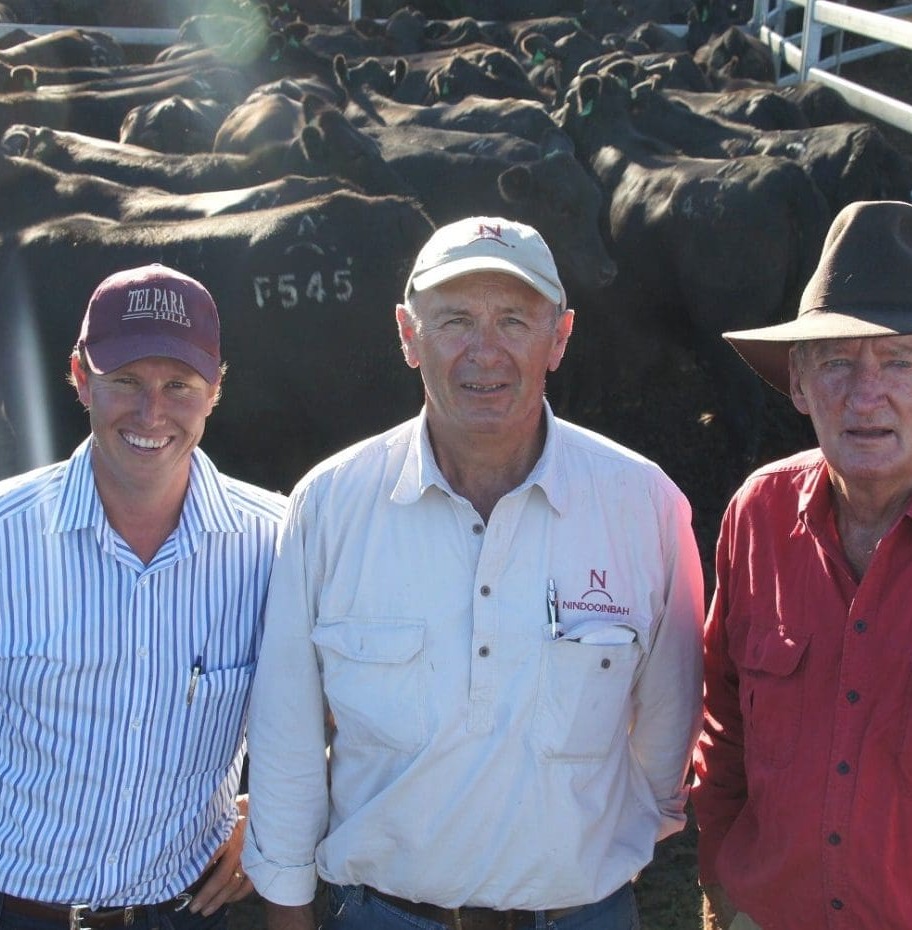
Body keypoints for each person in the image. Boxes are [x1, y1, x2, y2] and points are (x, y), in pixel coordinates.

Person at [242, 216, 705, 930]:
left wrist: (593, 850)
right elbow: (288, 737)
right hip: (385, 915)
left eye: (514, 321)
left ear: (560, 337)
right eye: (454, 320)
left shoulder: (643, 504)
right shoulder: (331, 505)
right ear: (406, 333)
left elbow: (667, 733)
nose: (483, 352)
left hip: (581, 916)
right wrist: (288, 911)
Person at [0, 264, 286, 930]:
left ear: (214, 390)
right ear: (81, 377)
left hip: (184, 911)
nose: (151, 413)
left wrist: (265, 817)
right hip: (15, 909)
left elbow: (338, 711)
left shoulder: (278, 542)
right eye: (125, 381)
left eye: (178, 385)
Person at [692, 199, 912, 930]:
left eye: (900, 360)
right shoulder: (758, 515)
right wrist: (719, 875)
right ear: (796, 383)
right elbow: (723, 723)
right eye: (837, 363)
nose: (866, 393)